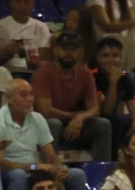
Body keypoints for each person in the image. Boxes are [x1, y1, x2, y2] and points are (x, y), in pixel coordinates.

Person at [0, 79, 87, 190]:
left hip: (34, 171)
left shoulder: (37, 118)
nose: (30, 99)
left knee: (77, 175)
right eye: (23, 95)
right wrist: (33, 166)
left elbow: (51, 156)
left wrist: (59, 167)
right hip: (10, 174)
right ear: (9, 99)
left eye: (31, 94)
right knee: (18, 176)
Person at [33, 31, 111, 161]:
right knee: (54, 124)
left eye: (73, 49)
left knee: (103, 124)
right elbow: (46, 111)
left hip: (75, 124)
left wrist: (80, 117)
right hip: (48, 124)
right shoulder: (43, 73)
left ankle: (101, 173)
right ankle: (48, 173)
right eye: (65, 49)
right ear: (56, 50)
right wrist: (74, 117)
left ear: (80, 52)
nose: (69, 53)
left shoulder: (85, 73)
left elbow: (95, 109)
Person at [0, 0, 54, 75]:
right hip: (8, 73)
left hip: (34, 73)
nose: (22, 7)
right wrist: (6, 53)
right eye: (18, 1)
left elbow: (47, 58)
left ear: (33, 4)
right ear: (11, 2)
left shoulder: (41, 27)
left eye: (26, 1)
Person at [91, 36, 135, 145]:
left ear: (121, 58)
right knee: (112, 122)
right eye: (105, 56)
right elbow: (106, 111)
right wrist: (113, 82)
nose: (111, 60)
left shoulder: (125, 78)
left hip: (115, 121)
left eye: (115, 56)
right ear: (98, 58)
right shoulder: (92, 76)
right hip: (97, 122)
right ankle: (112, 161)